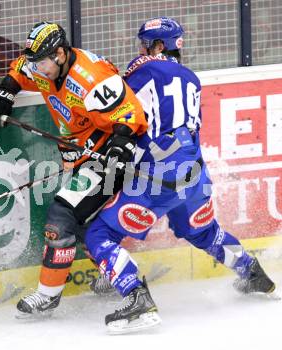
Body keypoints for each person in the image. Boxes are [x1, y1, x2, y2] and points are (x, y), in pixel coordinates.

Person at [84, 16, 277, 334]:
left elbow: (122, 116)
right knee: (202, 232)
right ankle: (252, 272)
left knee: (99, 236)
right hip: (194, 175)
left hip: (157, 177)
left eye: (146, 44)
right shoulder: (191, 79)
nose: (141, 50)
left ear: (158, 46)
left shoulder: (141, 70)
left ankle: (136, 299)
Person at [0, 21, 148, 318]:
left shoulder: (90, 78)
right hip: (83, 158)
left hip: (107, 157)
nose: (37, 69)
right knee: (83, 226)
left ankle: (48, 294)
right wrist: (7, 89)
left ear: (59, 53)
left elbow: (130, 115)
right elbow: (22, 66)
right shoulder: (42, 65)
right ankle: (113, 274)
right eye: (35, 63)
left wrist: (119, 147)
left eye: (42, 62)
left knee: (62, 215)